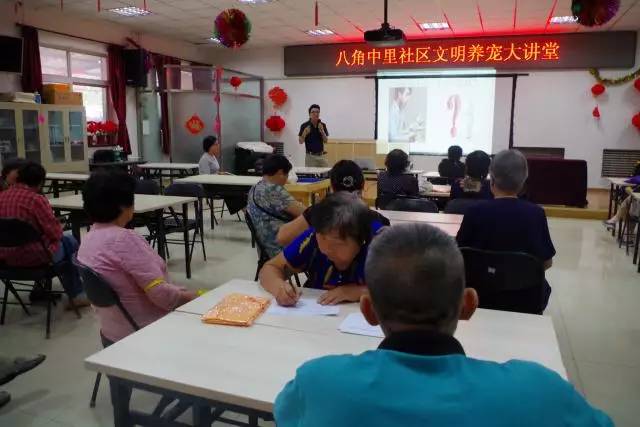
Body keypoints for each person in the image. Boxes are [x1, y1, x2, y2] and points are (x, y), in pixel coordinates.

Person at [274, 223, 613, 427]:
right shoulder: (538, 390)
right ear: (468, 305)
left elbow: (286, 415)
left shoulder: (319, 383)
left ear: (368, 310)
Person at [77, 171, 196, 343]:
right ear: (123, 206)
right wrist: (197, 297)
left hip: (112, 336)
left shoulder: (87, 240)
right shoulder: (125, 240)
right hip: (147, 335)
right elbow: (162, 295)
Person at [456, 149, 555, 311]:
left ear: (492, 178)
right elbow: (546, 262)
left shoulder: (474, 211)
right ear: (523, 181)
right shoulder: (536, 213)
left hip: (479, 297)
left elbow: (460, 254)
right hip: (524, 299)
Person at [260, 192, 385, 306]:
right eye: (321, 239)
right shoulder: (312, 237)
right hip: (317, 312)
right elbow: (270, 268)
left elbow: (401, 291)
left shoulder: (381, 244)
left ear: (361, 239)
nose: (326, 249)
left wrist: (358, 292)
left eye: (336, 244)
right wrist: (279, 287)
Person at [0, 161, 87, 307]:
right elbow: (54, 234)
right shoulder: (36, 200)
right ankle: (76, 294)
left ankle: (41, 290)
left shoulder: (2, 196)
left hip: (5, 260)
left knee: (64, 242)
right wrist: (59, 227)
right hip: (35, 258)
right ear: (40, 183)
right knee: (70, 241)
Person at [276, 160, 389, 247]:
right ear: (363, 185)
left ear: (332, 186)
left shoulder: (317, 213)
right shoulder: (376, 219)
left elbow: (282, 237)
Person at [247, 154, 305, 258]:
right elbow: (305, 213)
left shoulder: (255, 188)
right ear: (280, 173)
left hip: (264, 248)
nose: (286, 181)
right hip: (280, 247)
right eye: (287, 175)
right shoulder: (274, 190)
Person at [198, 135, 245, 215]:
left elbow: (214, 172)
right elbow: (206, 178)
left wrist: (221, 174)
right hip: (210, 186)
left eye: (218, 144)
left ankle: (245, 208)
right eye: (216, 144)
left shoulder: (212, 156)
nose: (218, 146)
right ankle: (245, 210)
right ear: (210, 146)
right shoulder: (205, 159)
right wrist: (218, 176)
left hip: (217, 183)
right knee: (232, 190)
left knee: (238, 188)